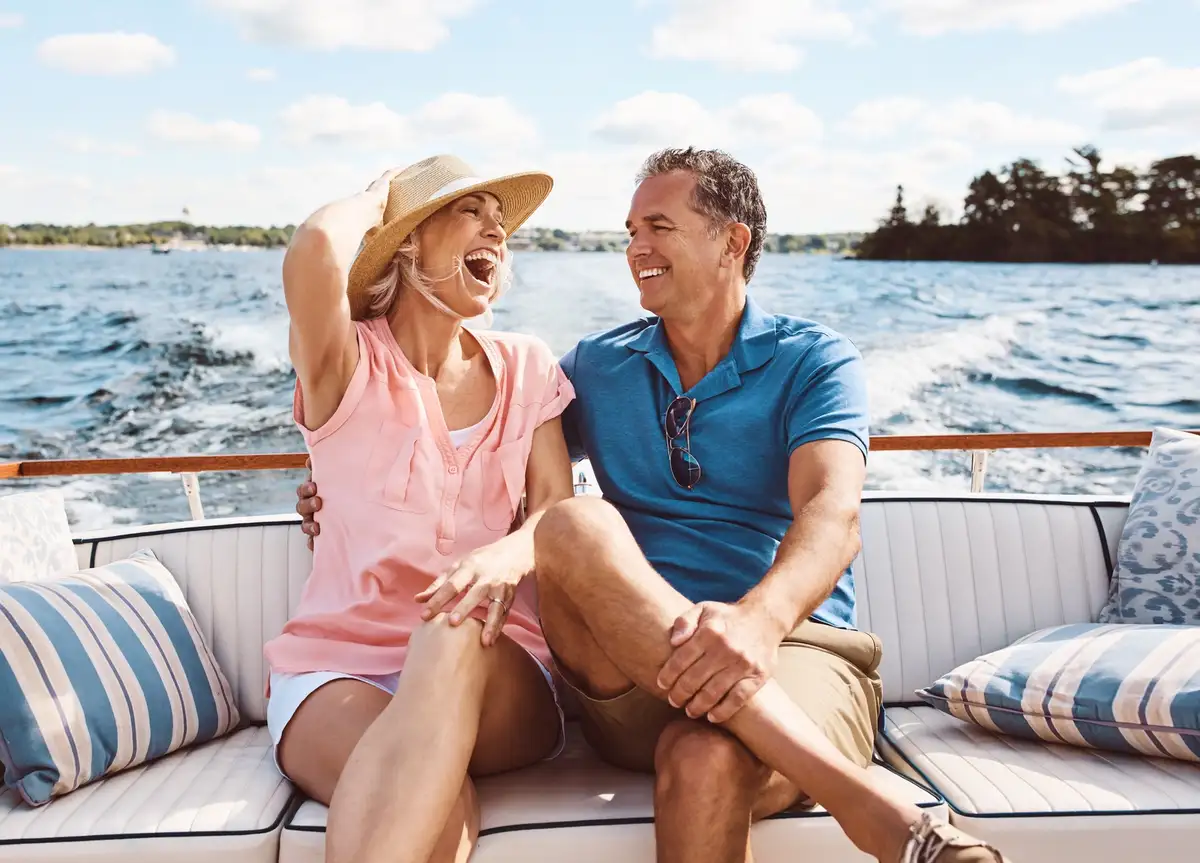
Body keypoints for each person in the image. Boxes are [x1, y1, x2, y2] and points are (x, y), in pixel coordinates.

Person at [296, 148, 1009, 863]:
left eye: (658, 227)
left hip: (791, 650)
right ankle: (875, 809)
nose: (636, 249)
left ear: (732, 242)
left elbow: (833, 512)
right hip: (630, 674)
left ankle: (859, 798)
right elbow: (485, 456)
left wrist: (757, 622)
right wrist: (338, 485)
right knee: (577, 519)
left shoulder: (815, 361)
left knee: (705, 759)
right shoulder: (596, 367)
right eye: (630, 230)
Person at [268, 154, 577, 863]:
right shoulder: (345, 362)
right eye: (472, 213)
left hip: (500, 665)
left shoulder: (529, 366)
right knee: (438, 810)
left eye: (503, 225)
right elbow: (316, 249)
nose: (496, 234)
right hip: (338, 666)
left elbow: (555, 509)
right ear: (408, 241)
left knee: (456, 631)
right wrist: (379, 198)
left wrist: (506, 553)